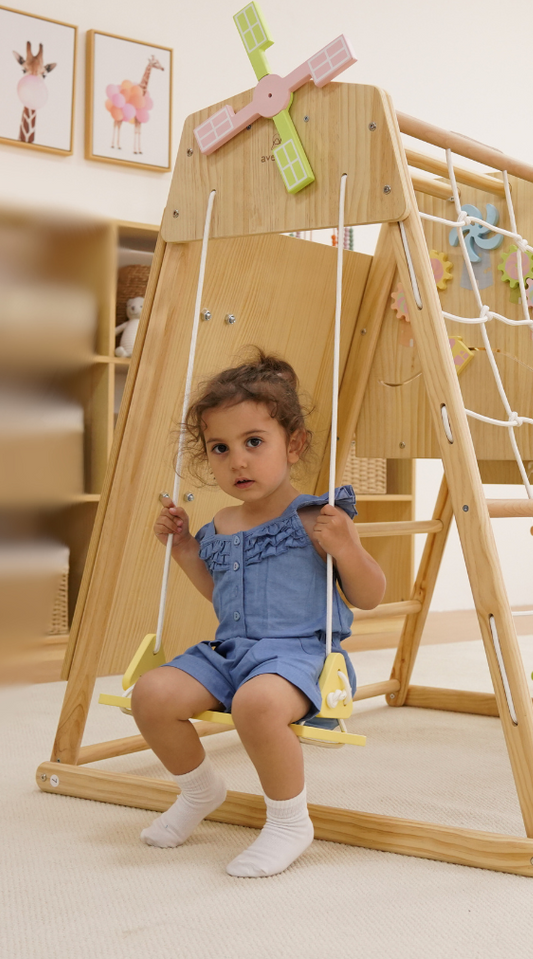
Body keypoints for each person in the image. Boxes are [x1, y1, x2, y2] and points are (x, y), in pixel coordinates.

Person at [131, 351, 386, 877]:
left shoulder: (317, 517)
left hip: (301, 657)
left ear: (293, 445)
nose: (237, 461)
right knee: (151, 694)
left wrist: (348, 549)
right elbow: (220, 595)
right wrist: (183, 550)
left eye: (253, 443)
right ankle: (201, 791)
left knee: (257, 703)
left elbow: (370, 594)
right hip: (231, 652)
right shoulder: (221, 523)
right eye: (220, 449)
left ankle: (290, 821)